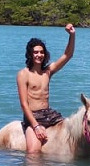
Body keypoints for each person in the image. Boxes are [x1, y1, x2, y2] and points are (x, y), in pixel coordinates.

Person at [17, 23, 76, 153]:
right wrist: (36, 126)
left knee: (75, 134)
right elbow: (23, 104)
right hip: (33, 116)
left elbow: (67, 55)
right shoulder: (23, 74)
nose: (39, 55)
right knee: (33, 152)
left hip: (50, 115)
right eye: (36, 52)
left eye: (42, 52)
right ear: (30, 54)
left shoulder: (48, 72)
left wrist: (72, 35)